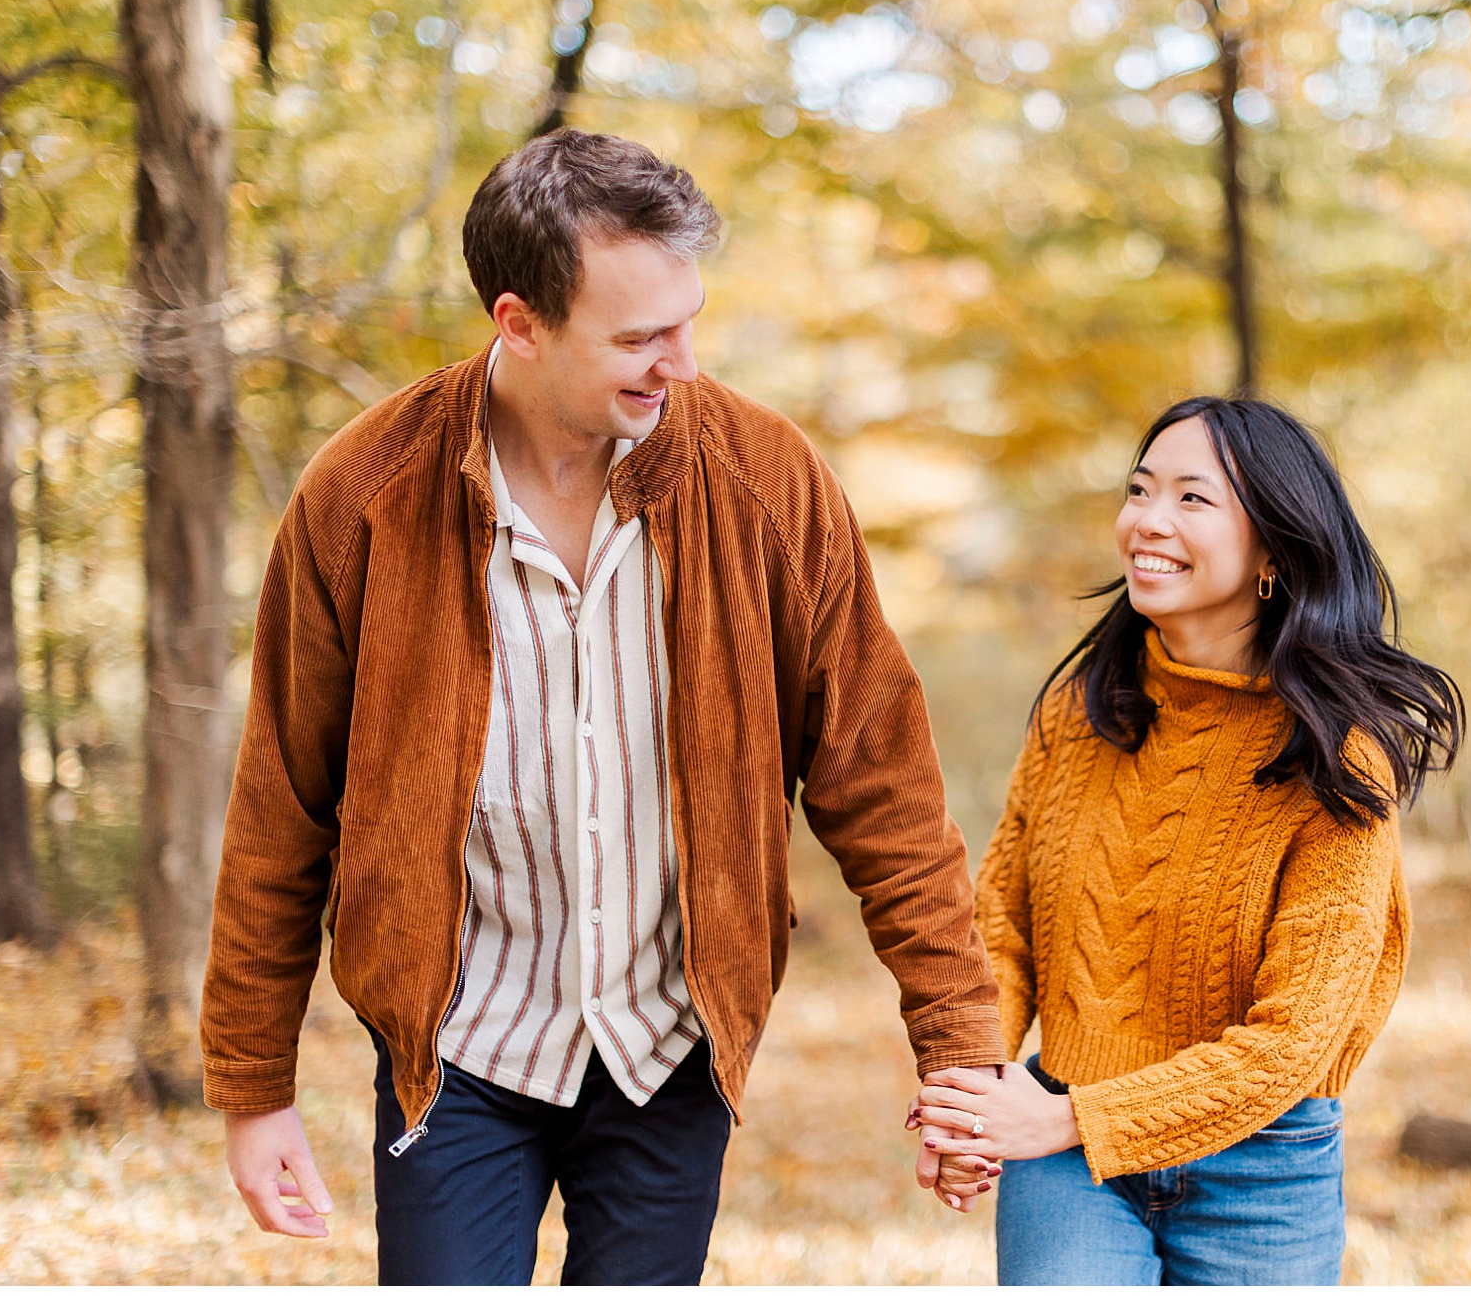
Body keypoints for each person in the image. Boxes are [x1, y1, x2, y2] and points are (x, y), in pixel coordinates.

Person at [200, 130, 1004, 1284]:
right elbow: (283, 799)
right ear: (517, 321)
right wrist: (252, 1085)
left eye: (687, 320)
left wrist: (956, 1043)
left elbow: (878, 774)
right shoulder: (363, 495)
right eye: (636, 337)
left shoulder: (768, 482)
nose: (679, 359)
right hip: (458, 1048)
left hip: (669, 1047)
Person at [911, 395, 1463, 1284]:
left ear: (1275, 548)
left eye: (1192, 499)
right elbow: (1001, 929)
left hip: (1261, 1166)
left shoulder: (1337, 756)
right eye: (1139, 490)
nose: (1147, 522)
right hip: (1071, 1167)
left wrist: (1069, 1119)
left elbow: (1294, 1042)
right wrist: (975, 1095)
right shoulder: (1078, 710)